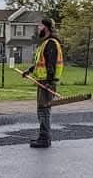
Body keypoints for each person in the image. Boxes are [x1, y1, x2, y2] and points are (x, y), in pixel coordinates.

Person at [22, 18, 64, 148]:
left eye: (40, 26)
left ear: (46, 27)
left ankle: (44, 138)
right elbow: (41, 63)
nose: (38, 28)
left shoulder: (51, 43)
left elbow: (50, 64)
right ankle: (43, 136)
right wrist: (29, 70)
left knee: (44, 110)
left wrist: (49, 82)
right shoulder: (45, 43)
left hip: (47, 82)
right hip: (43, 81)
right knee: (42, 109)